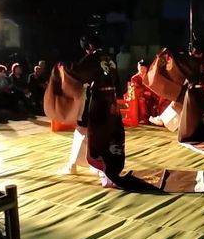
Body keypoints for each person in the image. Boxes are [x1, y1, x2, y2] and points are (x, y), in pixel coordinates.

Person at [46, 34, 159, 191]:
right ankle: (85, 165)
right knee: (94, 133)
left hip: (96, 101)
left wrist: (61, 67)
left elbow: (78, 72)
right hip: (109, 100)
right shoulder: (109, 58)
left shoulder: (93, 58)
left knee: (88, 132)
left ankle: (95, 168)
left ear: (90, 46)